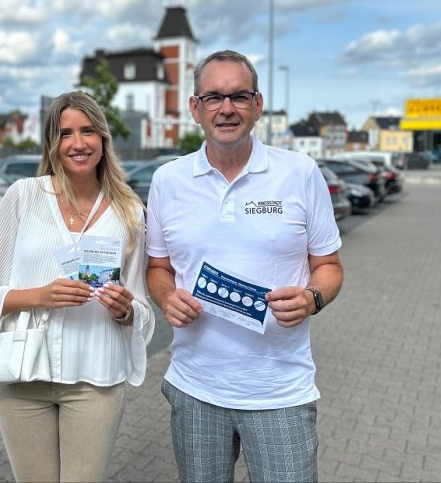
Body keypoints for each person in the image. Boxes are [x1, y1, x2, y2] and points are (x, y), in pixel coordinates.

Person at [146, 50, 344, 483]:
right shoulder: (168, 181)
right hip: (195, 389)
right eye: (214, 97)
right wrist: (166, 298)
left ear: (257, 105)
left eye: (239, 95)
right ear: (195, 109)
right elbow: (157, 267)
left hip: (280, 393)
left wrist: (312, 298)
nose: (227, 108)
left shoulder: (300, 173)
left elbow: (329, 265)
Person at [0, 91, 155, 483]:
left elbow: (144, 311)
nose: (78, 143)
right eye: (65, 134)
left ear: (103, 138)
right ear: (53, 143)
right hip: (22, 379)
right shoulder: (23, 197)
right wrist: (39, 296)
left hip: (95, 380)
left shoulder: (130, 212)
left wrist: (126, 309)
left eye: (87, 131)